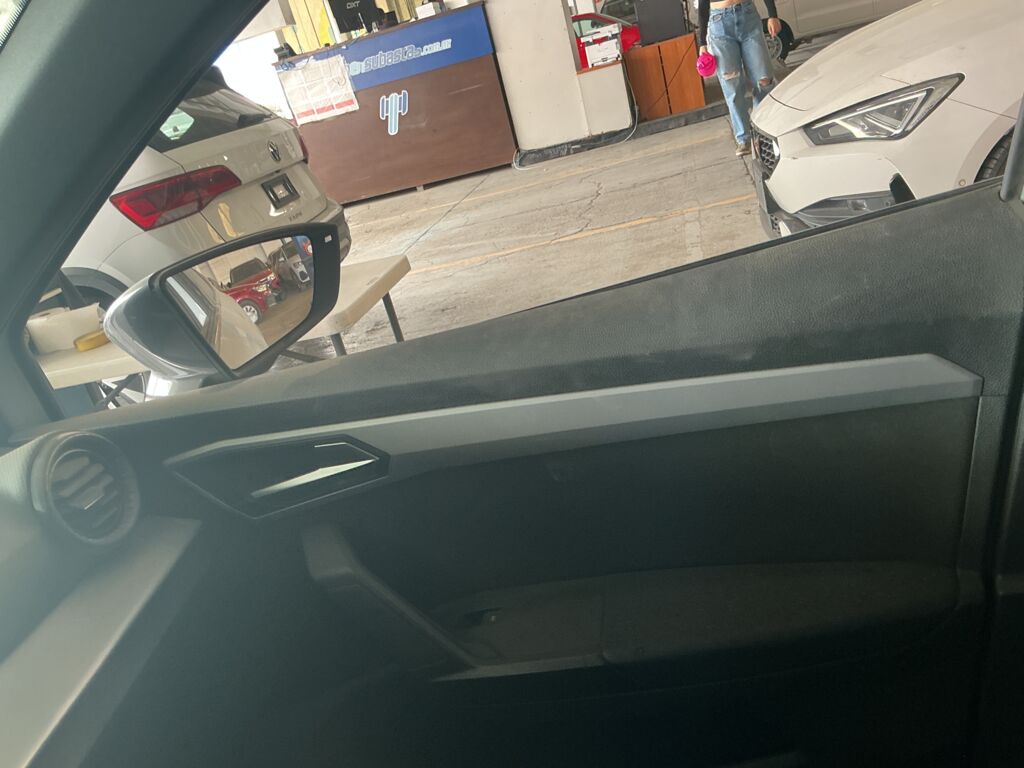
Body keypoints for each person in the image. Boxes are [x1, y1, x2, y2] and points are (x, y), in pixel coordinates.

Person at [697, 0, 781, 156]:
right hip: (719, 24)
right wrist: (702, 42)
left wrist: (772, 14)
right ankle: (744, 138)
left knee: (764, 79)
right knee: (732, 87)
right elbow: (703, 4)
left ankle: (763, 131)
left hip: (748, 16)